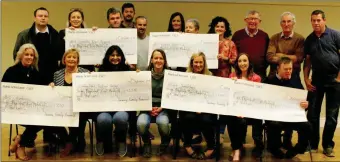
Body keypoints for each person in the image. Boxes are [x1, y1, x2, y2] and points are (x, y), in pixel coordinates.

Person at [4, 43, 65, 161]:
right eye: (26, 54)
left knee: (43, 117)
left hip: (32, 109)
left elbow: (44, 85)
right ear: (21, 56)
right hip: (15, 110)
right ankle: (21, 145)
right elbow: (4, 91)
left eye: (32, 55)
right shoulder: (11, 71)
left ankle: (20, 139)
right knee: (38, 119)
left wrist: (50, 84)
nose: (29, 57)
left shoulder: (35, 72)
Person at [12, 7, 63, 143]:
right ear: (34, 18)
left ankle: (49, 137)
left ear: (48, 18)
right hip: (31, 77)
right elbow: (16, 54)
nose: (43, 18)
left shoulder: (54, 34)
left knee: (49, 107)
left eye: (45, 16)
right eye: (40, 15)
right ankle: (27, 139)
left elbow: (60, 55)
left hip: (50, 77)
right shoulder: (23, 34)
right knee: (36, 109)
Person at [303, 10, 340, 157]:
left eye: (318, 20)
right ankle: (312, 144)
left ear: (324, 20)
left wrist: (338, 78)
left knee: (331, 115)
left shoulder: (335, 35)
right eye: (313, 20)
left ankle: (327, 145)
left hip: (334, 81)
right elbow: (307, 62)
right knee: (312, 114)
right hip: (316, 80)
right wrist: (306, 79)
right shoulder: (309, 39)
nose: (316, 23)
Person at [266, 11, 305, 149]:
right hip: (274, 78)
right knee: (274, 107)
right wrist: (290, 57)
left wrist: (280, 56)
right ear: (280, 23)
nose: (286, 24)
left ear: (293, 23)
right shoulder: (274, 38)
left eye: (289, 21)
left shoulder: (300, 39)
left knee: (291, 106)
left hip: (292, 77)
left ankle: (287, 138)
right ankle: (274, 141)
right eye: (284, 21)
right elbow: (270, 57)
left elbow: (299, 58)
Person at [49, 48, 93, 156]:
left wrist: (92, 79)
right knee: (50, 118)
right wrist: (51, 85)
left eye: (74, 57)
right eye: (69, 57)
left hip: (81, 107)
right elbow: (55, 93)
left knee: (77, 112)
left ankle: (73, 141)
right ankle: (71, 140)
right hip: (63, 107)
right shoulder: (57, 74)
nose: (71, 59)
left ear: (78, 60)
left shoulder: (85, 73)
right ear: (64, 59)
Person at [266, 57, 312, 159]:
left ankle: (298, 149)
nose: (288, 71)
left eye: (290, 69)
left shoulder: (295, 79)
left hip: (293, 116)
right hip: (276, 116)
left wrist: (306, 104)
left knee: (307, 126)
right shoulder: (270, 81)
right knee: (274, 125)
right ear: (278, 68)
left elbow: (304, 99)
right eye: (285, 69)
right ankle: (275, 149)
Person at [95, 45, 131, 157]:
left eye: (118, 55)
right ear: (108, 56)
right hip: (105, 107)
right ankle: (102, 140)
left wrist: (137, 74)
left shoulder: (127, 70)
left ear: (122, 57)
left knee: (120, 118)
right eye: (112, 55)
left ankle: (121, 141)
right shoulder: (101, 70)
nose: (115, 57)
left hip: (122, 107)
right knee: (102, 119)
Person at [181, 52, 216, 160]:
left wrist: (202, 108)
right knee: (188, 118)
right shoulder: (186, 75)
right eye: (196, 62)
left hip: (205, 107)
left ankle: (211, 147)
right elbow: (183, 95)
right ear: (192, 63)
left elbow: (211, 95)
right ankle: (187, 144)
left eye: (201, 62)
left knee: (206, 120)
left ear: (204, 63)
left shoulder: (209, 75)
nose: (198, 64)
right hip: (189, 107)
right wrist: (193, 108)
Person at [227, 53, 261, 161]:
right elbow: (230, 95)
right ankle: (236, 149)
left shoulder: (256, 78)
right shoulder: (232, 76)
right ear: (237, 63)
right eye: (240, 61)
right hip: (235, 108)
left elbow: (256, 98)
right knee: (231, 118)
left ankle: (237, 149)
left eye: (245, 60)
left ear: (249, 62)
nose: (242, 63)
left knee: (241, 121)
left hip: (250, 110)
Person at [137, 49, 171, 158]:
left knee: (163, 123)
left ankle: (165, 142)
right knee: (141, 124)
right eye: (156, 58)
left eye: (161, 58)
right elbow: (139, 94)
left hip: (163, 108)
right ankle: (147, 143)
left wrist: (161, 107)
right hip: (146, 107)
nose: (158, 60)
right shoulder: (143, 75)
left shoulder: (170, 76)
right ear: (151, 60)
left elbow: (171, 95)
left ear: (164, 61)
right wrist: (148, 107)